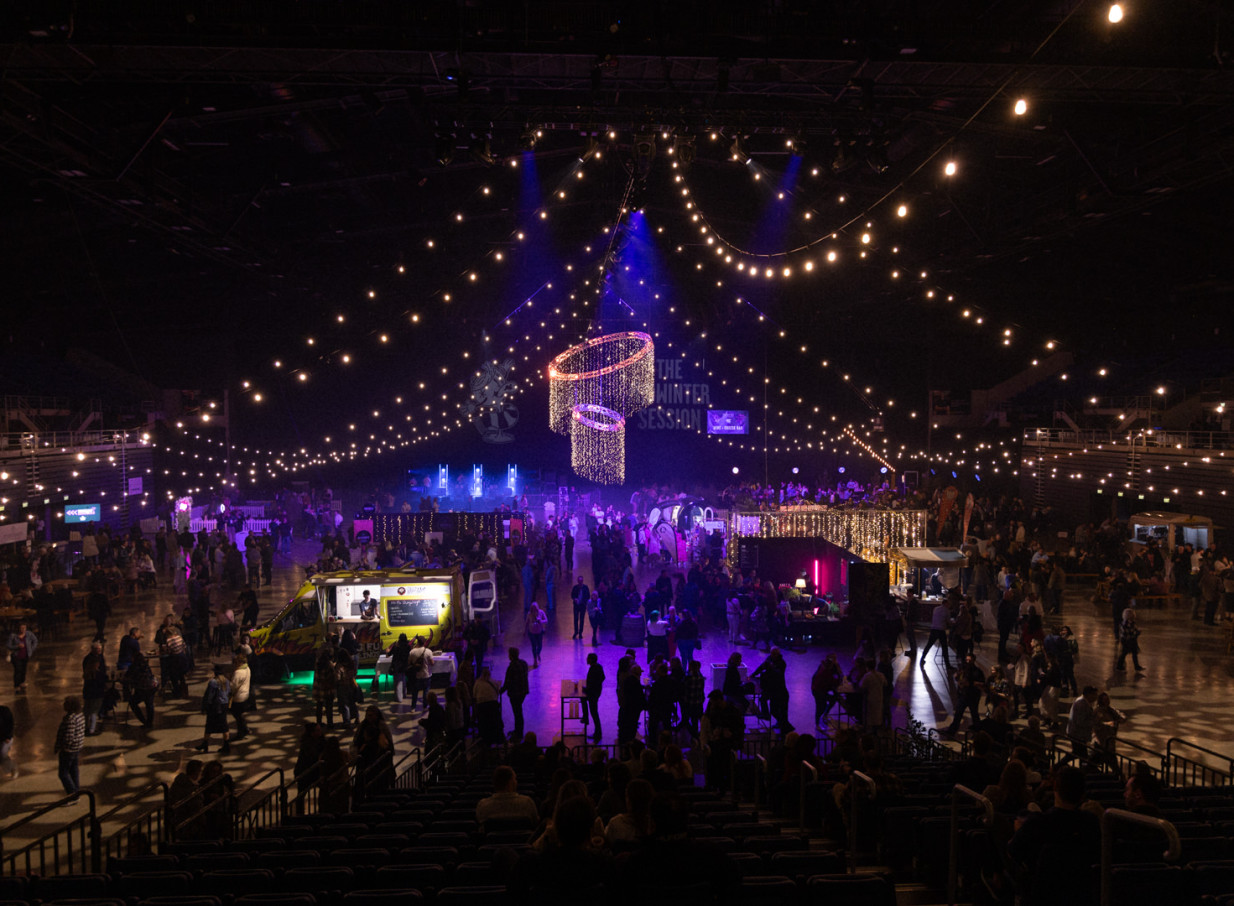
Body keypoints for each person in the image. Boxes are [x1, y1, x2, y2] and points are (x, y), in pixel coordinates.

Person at [1007, 765, 1100, 906]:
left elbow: (1013, 853)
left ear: (1055, 787)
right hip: (1082, 896)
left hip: (1042, 897)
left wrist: (1018, 832)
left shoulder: (1038, 823)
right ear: (1082, 794)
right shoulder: (1091, 823)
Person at [352, 705, 394, 796]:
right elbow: (356, 740)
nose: (369, 718)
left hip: (379, 761)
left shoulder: (382, 726)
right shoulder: (362, 725)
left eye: (371, 715)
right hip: (365, 761)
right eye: (367, 715)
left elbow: (389, 742)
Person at [751, 647, 792, 733]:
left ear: (778, 654)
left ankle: (783, 726)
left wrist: (771, 668)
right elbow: (762, 667)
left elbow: (778, 674)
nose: (772, 656)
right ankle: (780, 723)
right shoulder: (769, 659)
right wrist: (753, 675)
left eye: (774, 654)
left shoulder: (782, 663)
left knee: (778, 711)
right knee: (773, 709)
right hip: (772, 689)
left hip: (779, 691)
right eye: (771, 653)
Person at [54, 696, 85, 794]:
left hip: (68, 750)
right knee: (73, 770)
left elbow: (68, 737)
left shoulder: (70, 719)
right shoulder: (80, 715)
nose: (63, 705)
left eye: (66, 703)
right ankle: (76, 790)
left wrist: (61, 746)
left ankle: (72, 794)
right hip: (77, 748)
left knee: (63, 773)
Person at [197, 665, 231, 754]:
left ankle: (205, 744)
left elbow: (210, 696)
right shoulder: (226, 681)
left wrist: (205, 706)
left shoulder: (213, 682)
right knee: (224, 726)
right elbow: (228, 692)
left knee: (209, 726)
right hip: (224, 705)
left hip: (215, 706)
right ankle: (226, 745)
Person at [1062, 686, 1098, 766]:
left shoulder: (1084, 702)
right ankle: (1058, 766)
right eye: (1094, 694)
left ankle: (1084, 769)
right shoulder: (1081, 704)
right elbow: (1080, 721)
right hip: (1077, 734)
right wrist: (1094, 722)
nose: (1096, 697)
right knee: (1080, 754)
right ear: (1088, 694)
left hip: (1078, 734)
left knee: (1080, 754)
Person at [501, 646, 531, 740]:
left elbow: (507, 683)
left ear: (511, 655)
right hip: (523, 692)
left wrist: (499, 691)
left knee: (517, 713)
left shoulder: (511, 667)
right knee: (518, 712)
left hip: (515, 694)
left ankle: (518, 733)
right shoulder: (524, 663)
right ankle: (518, 731)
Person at [81, 641, 109, 736]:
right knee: (94, 710)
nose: (100, 651)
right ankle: (92, 729)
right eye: (98, 649)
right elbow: (103, 678)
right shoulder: (96, 672)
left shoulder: (87, 664)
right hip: (97, 692)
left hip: (87, 691)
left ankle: (85, 727)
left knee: (87, 710)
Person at [127, 649, 157, 727]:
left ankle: (143, 721)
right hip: (152, 686)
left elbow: (128, 676)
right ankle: (149, 722)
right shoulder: (145, 665)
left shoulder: (134, 667)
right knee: (149, 704)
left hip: (143, 688)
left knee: (133, 702)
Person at [920, 599, 952, 668]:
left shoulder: (936, 608)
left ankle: (922, 658)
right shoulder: (947, 611)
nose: (949, 605)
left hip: (933, 629)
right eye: (948, 604)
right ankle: (947, 665)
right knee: (944, 647)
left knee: (929, 644)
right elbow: (949, 622)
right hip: (941, 630)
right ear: (946, 604)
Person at [7, 623, 36, 692]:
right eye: (21, 628)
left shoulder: (29, 634)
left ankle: (22, 682)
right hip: (16, 656)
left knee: (23, 669)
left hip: (25, 655)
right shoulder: (13, 636)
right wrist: (17, 646)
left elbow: (35, 641)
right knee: (18, 670)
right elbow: (8, 645)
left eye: (24, 628)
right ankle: (16, 685)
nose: (23, 630)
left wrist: (31, 649)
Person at [408, 635, 434, 708]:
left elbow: (409, 662)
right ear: (425, 642)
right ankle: (425, 706)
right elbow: (432, 663)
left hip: (416, 675)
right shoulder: (428, 651)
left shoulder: (412, 652)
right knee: (426, 691)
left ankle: (413, 707)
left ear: (417, 642)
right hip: (426, 674)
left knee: (415, 692)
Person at [313, 649, 337, 728]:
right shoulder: (329, 665)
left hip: (318, 689)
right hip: (327, 690)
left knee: (319, 707)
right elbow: (331, 678)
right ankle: (330, 723)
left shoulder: (318, 663)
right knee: (329, 707)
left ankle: (318, 723)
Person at [584, 651, 605, 741]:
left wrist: (587, 689)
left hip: (593, 694)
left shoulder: (593, 669)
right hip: (596, 693)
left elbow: (593, 682)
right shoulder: (598, 667)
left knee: (594, 713)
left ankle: (597, 733)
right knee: (594, 712)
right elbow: (603, 678)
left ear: (591, 660)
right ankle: (586, 718)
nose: (586, 659)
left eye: (588, 658)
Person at [231, 654, 252, 740]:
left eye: (236, 662)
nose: (235, 664)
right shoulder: (247, 669)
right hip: (245, 695)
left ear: (240, 662)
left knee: (237, 715)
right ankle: (245, 729)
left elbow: (233, 686)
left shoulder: (238, 672)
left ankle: (241, 732)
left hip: (238, 697)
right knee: (239, 714)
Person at [386, 633, 411, 703]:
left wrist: (387, 651)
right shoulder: (408, 647)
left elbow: (388, 655)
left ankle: (399, 698)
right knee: (403, 680)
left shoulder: (396, 647)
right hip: (405, 666)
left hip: (397, 667)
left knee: (398, 682)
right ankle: (404, 694)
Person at [571, 575, 590, 639]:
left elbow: (588, 596)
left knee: (582, 619)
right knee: (576, 619)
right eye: (579, 581)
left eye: (581, 581)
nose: (580, 582)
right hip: (576, 606)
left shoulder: (585, 588)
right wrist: (575, 599)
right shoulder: (575, 588)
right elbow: (572, 595)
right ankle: (576, 632)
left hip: (582, 606)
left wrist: (584, 601)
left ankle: (580, 632)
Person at [0, 702, 15, 778]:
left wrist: (8, 737)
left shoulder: (5, 711)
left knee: (2, 753)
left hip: (6, 739)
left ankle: (11, 768)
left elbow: (10, 724)